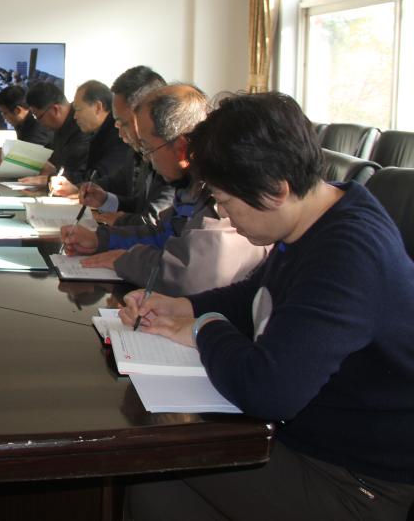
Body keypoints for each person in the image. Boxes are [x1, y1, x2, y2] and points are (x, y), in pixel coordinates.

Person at [122, 92, 414, 521]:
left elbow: (267, 391)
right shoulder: (320, 214)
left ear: (276, 190)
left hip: (355, 483)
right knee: (152, 479)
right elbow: (256, 296)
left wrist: (204, 328)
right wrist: (182, 307)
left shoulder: (348, 253)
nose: (223, 212)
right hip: (304, 445)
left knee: (151, 447)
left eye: (225, 201)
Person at [61, 84, 268, 295]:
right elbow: (163, 234)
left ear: (181, 148)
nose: (146, 158)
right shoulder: (191, 185)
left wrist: (126, 259)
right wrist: (101, 240)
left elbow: (189, 274)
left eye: (148, 148)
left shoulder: (223, 193)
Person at [78, 66, 173, 227]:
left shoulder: (170, 156)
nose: (119, 131)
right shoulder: (141, 151)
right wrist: (104, 199)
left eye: (124, 123)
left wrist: (114, 224)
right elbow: (138, 205)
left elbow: (154, 221)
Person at [48, 79, 134, 197]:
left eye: (78, 110)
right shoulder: (98, 132)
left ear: (98, 107)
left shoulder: (118, 135)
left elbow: (101, 176)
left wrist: (73, 186)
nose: (75, 116)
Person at [17, 81, 90, 187]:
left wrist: (48, 179)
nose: (39, 123)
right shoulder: (59, 126)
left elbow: (80, 174)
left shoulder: (82, 126)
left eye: (39, 117)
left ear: (55, 110)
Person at [0, 84, 53, 159]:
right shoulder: (22, 123)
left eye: (5, 113)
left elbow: (25, 155)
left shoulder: (37, 127)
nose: (3, 117)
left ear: (17, 110)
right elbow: (21, 149)